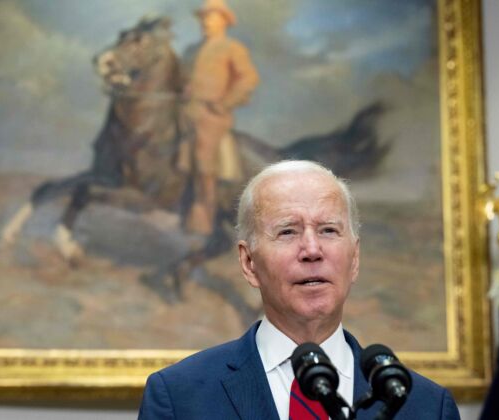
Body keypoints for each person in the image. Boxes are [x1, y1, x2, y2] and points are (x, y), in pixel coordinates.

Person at [138, 160, 460, 419]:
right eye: (288, 232)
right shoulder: (180, 398)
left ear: (355, 259)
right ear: (249, 262)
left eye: (329, 230)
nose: (312, 249)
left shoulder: (427, 406)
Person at [177, 0, 259, 236]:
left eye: (210, 17)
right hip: (185, 112)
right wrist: (183, 90)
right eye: (202, 18)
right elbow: (182, 79)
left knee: (204, 156)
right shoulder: (190, 50)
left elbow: (248, 78)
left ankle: (204, 216)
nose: (205, 22)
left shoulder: (232, 48)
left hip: (212, 115)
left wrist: (226, 102)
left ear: (224, 20)